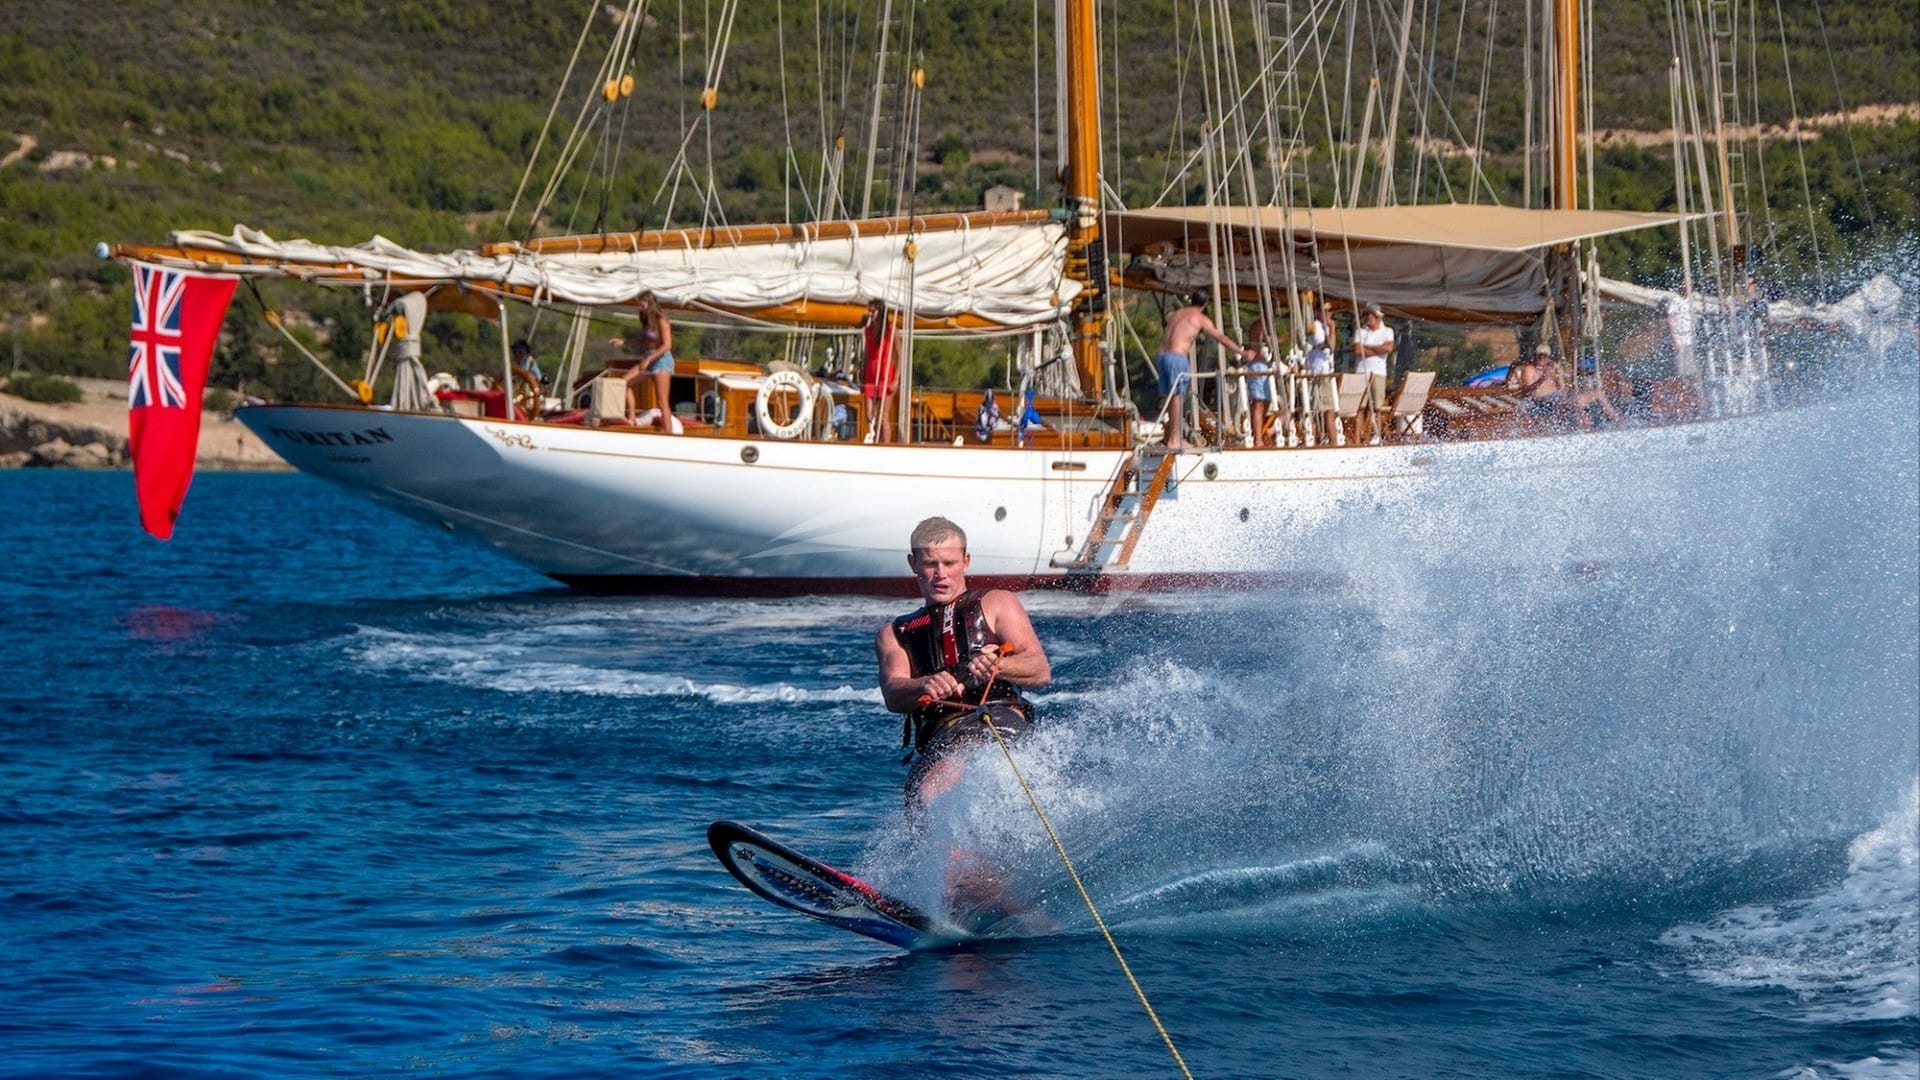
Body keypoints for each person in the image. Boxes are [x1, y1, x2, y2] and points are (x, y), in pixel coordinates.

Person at [877, 516, 1051, 812]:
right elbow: (893, 693)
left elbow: (1039, 669)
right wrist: (923, 684)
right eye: (930, 564)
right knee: (920, 797)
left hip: (996, 722)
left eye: (950, 563)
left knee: (936, 789)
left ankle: (970, 858)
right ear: (913, 563)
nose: (940, 574)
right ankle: (956, 859)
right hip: (939, 740)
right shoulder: (894, 633)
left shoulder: (996, 603)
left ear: (966, 561)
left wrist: (997, 665)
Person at [1155, 291, 1254, 451]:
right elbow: (1219, 337)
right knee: (1177, 398)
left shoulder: (1176, 314)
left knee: (1170, 397)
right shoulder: (1200, 318)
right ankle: (1174, 440)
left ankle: (1171, 437)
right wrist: (1242, 352)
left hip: (1162, 357)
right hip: (1177, 357)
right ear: (1205, 304)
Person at [612, 292, 675, 431]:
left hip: (661, 360)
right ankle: (632, 416)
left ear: (649, 303)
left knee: (662, 401)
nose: (640, 307)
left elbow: (667, 345)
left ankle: (669, 434)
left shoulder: (661, 319)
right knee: (624, 382)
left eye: (642, 303)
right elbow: (643, 340)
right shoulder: (647, 321)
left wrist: (649, 359)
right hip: (648, 357)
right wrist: (624, 342)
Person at [1353, 303, 1394, 444]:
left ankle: (1377, 435)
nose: (1369, 318)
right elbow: (1358, 350)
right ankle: (1357, 438)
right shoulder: (1361, 331)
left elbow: (1388, 348)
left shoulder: (1388, 331)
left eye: (1371, 315)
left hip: (1378, 372)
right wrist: (1378, 350)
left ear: (1377, 317)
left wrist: (1368, 348)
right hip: (1361, 372)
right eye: (1367, 315)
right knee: (1360, 406)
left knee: (1378, 407)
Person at [861, 299, 898, 443]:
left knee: (883, 415)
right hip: (871, 374)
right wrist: (862, 374)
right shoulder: (868, 331)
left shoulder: (891, 330)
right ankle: (873, 440)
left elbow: (899, 354)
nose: (870, 314)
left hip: (886, 375)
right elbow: (866, 354)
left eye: (873, 311)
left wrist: (896, 379)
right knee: (869, 416)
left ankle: (885, 446)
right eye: (869, 311)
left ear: (880, 312)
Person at [1303, 297, 1338, 446]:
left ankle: (1334, 441)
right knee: (1316, 410)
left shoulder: (1328, 327)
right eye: (1324, 311)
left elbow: (1333, 348)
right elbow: (1328, 346)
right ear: (1317, 312)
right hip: (1316, 373)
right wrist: (1331, 329)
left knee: (1329, 409)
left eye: (1329, 311)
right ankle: (1316, 440)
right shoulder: (1315, 326)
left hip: (1327, 372)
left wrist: (1332, 328)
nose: (1327, 314)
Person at [1243, 322, 1275, 447]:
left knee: (1266, 402)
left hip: (1266, 367)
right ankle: (1257, 440)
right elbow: (1260, 346)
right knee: (1258, 403)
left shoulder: (1269, 326)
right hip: (1257, 366)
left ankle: (1258, 432)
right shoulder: (1258, 326)